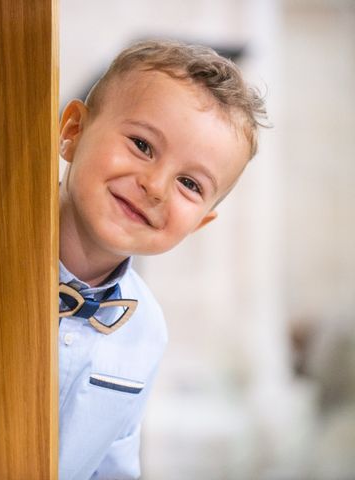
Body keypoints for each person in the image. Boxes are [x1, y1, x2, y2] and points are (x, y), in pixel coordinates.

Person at [57, 39, 267, 479]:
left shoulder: (146, 332)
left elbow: (114, 463)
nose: (155, 186)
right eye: (142, 144)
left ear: (199, 223)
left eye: (190, 184)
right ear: (73, 130)